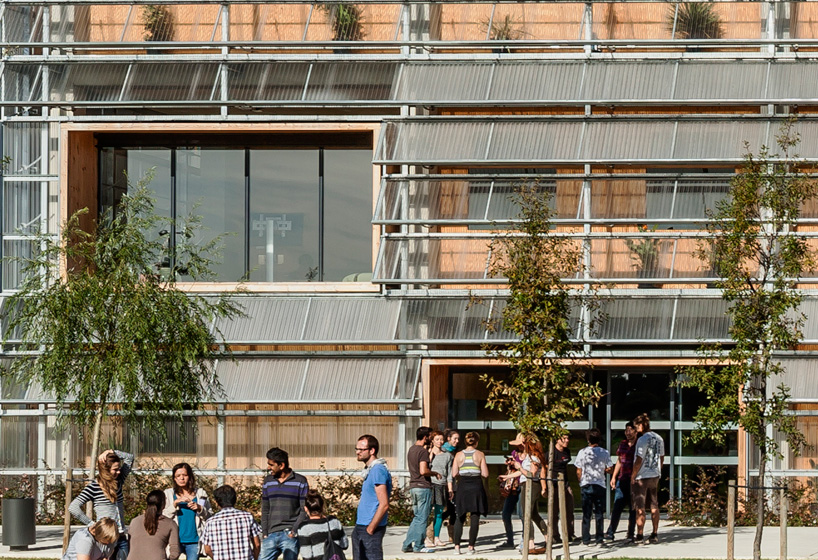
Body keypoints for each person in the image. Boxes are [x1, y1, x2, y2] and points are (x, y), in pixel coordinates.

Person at [69, 449, 135, 560]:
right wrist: (92, 524)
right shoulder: (94, 487)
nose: (119, 472)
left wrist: (110, 451)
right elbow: (73, 507)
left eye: (119, 469)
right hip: (106, 537)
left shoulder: (118, 481)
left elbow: (130, 458)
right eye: (115, 469)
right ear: (106, 470)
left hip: (121, 536)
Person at [260, 447, 309, 560]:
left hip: (289, 534)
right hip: (271, 534)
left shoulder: (300, 481)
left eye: (271, 465)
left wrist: (294, 531)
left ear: (281, 465)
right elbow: (265, 508)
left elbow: (304, 509)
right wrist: (265, 533)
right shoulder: (268, 481)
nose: (268, 468)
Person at [353, 434, 392, 560]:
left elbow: (384, 504)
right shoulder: (369, 470)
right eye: (356, 449)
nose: (357, 452)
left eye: (361, 449)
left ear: (372, 450)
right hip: (361, 525)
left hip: (369, 527)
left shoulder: (377, 470)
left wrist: (371, 528)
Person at [401, 426, 439, 554]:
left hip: (413, 487)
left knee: (417, 517)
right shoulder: (422, 452)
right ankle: (419, 545)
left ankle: (407, 544)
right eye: (430, 437)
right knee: (422, 518)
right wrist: (434, 473)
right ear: (425, 437)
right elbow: (423, 471)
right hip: (423, 487)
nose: (431, 439)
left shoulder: (411, 449)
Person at [163, 462, 212, 560]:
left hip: (194, 540)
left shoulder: (200, 493)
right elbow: (163, 517)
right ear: (174, 478)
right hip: (174, 539)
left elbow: (210, 516)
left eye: (184, 475)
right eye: (178, 476)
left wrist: (200, 508)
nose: (181, 478)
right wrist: (174, 504)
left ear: (190, 476)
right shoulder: (168, 494)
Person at [451, 431, 489, 555]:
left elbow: (454, 473)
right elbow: (485, 474)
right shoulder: (480, 454)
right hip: (476, 485)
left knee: (460, 516)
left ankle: (457, 547)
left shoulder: (458, 455)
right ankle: (471, 547)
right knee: (474, 516)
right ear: (476, 442)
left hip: (463, 485)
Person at [200, 485, 262, 560]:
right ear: (235, 499)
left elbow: (207, 549)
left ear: (217, 503)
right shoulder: (247, 517)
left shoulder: (210, 522)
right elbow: (257, 545)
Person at [575, 428, 613, 546]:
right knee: (599, 513)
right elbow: (610, 468)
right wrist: (604, 470)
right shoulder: (604, 452)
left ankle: (586, 539)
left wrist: (581, 480)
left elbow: (578, 470)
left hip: (586, 483)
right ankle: (599, 538)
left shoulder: (582, 452)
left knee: (586, 513)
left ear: (588, 439)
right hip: (599, 484)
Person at [511, 433, 547, 554]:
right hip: (526, 484)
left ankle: (530, 543)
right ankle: (548, 537)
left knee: (526, 514)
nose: (522, 446)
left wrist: (519, 467)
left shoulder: (534, 457)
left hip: (530, 485)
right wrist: (508, 476)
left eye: (524, 443)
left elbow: (531, 474)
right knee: (534, 514)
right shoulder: (530, 457)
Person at [631, 414, 664, 545]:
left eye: (636, 426)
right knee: (654, 504)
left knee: (640, 505)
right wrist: (658, 470)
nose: (635, 429)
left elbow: (639, 459)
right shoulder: (659, 438)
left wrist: (633, 475)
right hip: (654, 475)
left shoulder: (642, 440)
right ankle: (655, 533)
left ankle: (640, 535)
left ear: (641, 425)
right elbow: (661, 457)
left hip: (642, 476)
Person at [605, 422, 637, 542]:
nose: (628, 433)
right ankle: (611, 532)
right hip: (622, 479)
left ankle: (630, 533)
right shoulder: (623, 444)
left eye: (630, 430)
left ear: (635, 431)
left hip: (634, 481)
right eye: (626, 430)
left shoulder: (639, 445)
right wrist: (614, 477)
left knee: (633, 509)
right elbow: (619, 461)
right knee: (617, 507)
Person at [128, 490, 181, 560]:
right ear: (163, 504)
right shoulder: (170, 524)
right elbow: (175, 552)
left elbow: (130, 545)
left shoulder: (134, 521)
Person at [296, 490, 348, 560]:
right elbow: (344, 544)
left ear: (306, 508)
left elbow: (307, 555)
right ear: (322, 506)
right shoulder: (334, 521)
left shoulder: (304, 527)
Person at [550, 433, 576, 543]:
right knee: (554, 512)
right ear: (557, 440)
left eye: (568, 438)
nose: (567, 440)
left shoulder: (567, 452)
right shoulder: (551, 453)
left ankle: (570, 534)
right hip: (554, 485)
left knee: (569, 509)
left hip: (565, 484)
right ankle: (555, 535)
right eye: (564, 438)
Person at [429, 430, 453, 547]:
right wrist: (429, 455)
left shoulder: (447, 455)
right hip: (430, 485)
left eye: (441, 439)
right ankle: (425, 538)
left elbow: (449, 474)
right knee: (426, 512)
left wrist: (450, 489)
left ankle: (436, 537)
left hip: (441, 485)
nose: (440, 442)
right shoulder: (427, 453)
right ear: (432, 440)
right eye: (437, 439)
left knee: (439, 513)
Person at [497, 453, 521, 549]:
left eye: (510, 460)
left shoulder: (522, 457)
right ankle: (509, 541)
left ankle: (527, 539)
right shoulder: (510, 468)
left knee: (523, 515)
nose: (508, 462)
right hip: (512, 491)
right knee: (506, 514)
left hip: (520, 488)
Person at [441, 430, 460, 543]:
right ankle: (431, 529)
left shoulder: (454, 452)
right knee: (449, 509)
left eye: (458, 439)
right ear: (448, 438)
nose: (457, 441)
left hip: (452, 483)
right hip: (446, 484)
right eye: (455, 439)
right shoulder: (444, 451)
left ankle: (452, 535)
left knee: (453, 510)